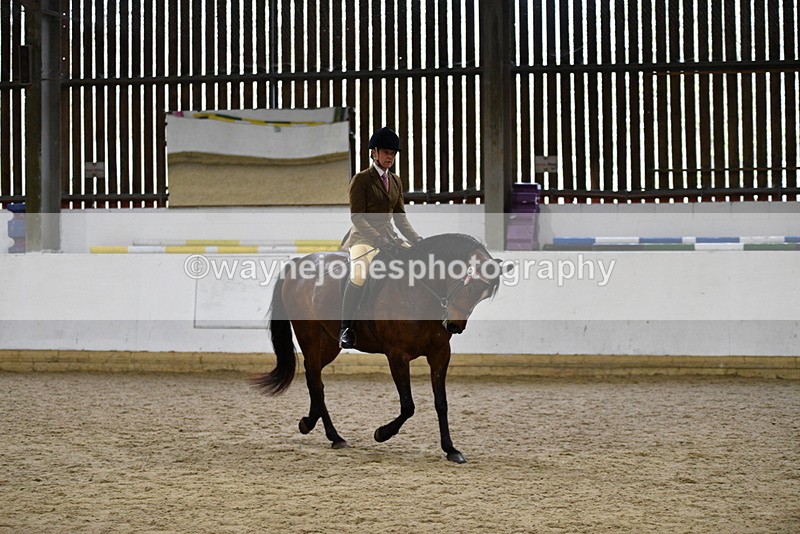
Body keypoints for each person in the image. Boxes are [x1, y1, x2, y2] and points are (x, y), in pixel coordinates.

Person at [338, 127, 423, 348]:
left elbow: (400, 217)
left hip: (390, 238)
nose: (390, 157)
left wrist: (417, 240)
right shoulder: (361, 180)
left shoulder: (395, 181)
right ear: (374, 152)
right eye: (386, 152)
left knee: (415, 264)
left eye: (393, 154)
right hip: (363, 239)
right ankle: (346, 328)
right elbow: (357, 217)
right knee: (358, 274)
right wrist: (377, 240)